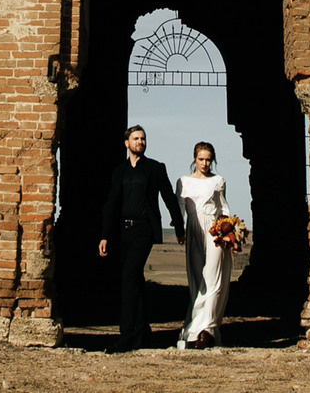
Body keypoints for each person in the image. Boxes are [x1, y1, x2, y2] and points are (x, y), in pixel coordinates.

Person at [97, 123, 182, 352]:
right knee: (135, 281)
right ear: (127, 143)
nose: (140, 142)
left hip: (144, 230)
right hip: (123, 231)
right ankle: (143, 333)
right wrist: (104, 235)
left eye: (143, 139)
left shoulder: (155, 168)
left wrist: (178, 225)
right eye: (136, 139)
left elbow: (168, 197)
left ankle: (126, 336)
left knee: (128, 278)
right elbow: (111, 204)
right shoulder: (119, 171)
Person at [174, 140, 233, 350]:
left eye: (208, 160)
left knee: (213, 277)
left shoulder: (218, 181)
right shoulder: (183, 182)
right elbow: (179, 209)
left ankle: (206, 329)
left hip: (214, 230)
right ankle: (194, 328)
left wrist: (228, 232)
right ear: (194, 159)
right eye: (201, 159)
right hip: (193, 229)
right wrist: (179, 231)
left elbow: (224, 209)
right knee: (197, 278)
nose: (205, 163)